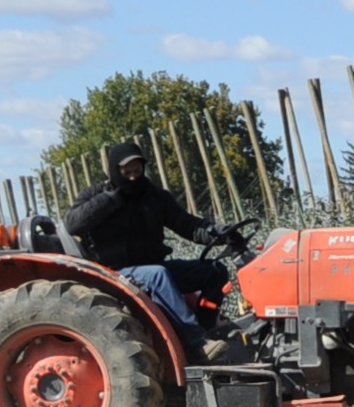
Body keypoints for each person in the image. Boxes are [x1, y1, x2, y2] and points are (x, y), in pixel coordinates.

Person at [67, 138, 234, 334]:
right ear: (114, 171)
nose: (132, 178)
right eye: (126, 173)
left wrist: (218, 232)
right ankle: (197, 342)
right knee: (157, 275)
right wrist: (110, 200)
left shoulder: (155, 197)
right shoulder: (97, 194)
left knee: (214, 270)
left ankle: (208, 327)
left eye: (137, 172)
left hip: (153, 266)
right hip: (116, 273)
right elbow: (72, 224)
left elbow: (188, 225)